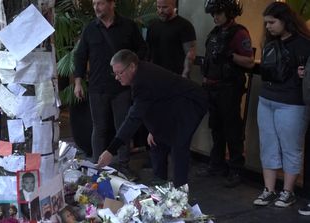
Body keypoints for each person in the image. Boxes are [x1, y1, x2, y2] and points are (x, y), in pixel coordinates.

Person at [96, 49, 208, 187]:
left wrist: (111, 150)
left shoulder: (144, 80)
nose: (116, 77)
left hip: (191, 102)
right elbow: (151, 105)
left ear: (132, 66)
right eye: (115, 73)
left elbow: (134, 117)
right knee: (156, 141)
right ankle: (159, 185)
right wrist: (153, 129)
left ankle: (180, 193)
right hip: (170, 104)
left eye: (120, 73)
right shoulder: (140, 73)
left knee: (179, 143)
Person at [74, 0, 147, 180]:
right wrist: (77, 82)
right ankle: (97, 168)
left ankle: (124, 166)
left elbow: (142, 50)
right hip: (97, 87)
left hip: (121, 87)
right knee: (99, 128)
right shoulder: (90, 29)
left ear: (112, 4)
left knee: (123, 127)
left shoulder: (128, 26)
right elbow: (80, 55)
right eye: (94, 4)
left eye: (100, 3)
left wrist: (132, 73)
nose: (96, 8)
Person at [251, 2, 310, 209]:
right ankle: (269, 189)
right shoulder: (270, 42)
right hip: (267, 99)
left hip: (291, 103)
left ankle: (288, 191)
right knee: (268, 144)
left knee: (290, 147)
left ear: (285, 21)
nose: (268, 27)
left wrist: (302, 74)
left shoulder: (303, 43)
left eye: (272, 22)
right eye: (266, 23)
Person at [198, 0, 255, 188]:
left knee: (232, 130)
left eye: (219, 13)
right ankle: (217, 165)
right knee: (216, 128)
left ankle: (236, 170)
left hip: (229, 88)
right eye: (213, 13)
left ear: (229, 12)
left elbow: (249, 62)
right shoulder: (215, 33)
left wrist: (230, 56)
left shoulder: (239, 33)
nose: (215, 16)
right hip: (212, 87)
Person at [146, 0, 196, 78]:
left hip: (176, 76)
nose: (161, 11)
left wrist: (185, 74)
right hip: (156, 74)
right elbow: (149, 52)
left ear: (174, 6)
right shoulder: (152, 25)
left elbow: (190, 54)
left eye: (165, 7)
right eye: (158, 7)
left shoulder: (185, 26)